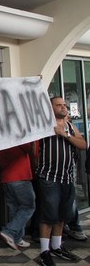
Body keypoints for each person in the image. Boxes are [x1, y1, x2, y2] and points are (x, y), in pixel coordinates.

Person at [36, 96, 86, 266]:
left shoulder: (70, 127)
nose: (64, 107)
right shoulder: (43, 125)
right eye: (59, 105)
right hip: (49, 177)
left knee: (62, 215)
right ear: (50, 108)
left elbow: (83, 144)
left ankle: (56, 246)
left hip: (67, 178)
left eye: (65, 105)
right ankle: (44, 251)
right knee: (48, 215)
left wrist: (65, 135)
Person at [0, 142, 36, 250]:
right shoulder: (19, 136)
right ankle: (9, 232)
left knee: (15, 209)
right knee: (28, 206)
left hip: (5, 178)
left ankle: (17, 239)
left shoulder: (1, 139)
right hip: (20, 176)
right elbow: (30, 150)